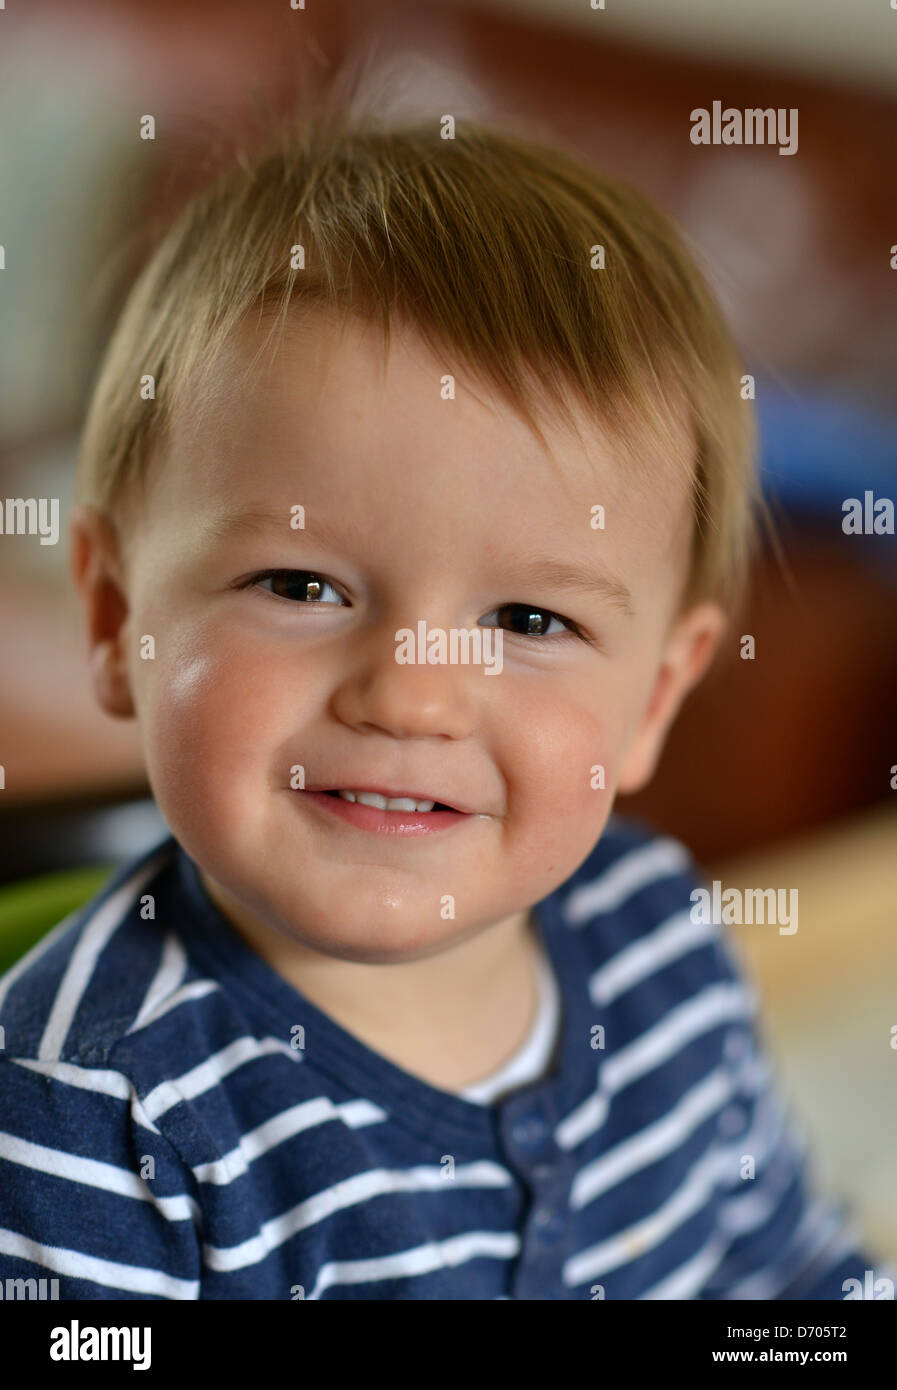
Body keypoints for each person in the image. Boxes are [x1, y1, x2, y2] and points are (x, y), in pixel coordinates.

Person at [0, 110, 889, 1299]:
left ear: (656, 698)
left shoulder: (657, 942)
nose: (413, 692)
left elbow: (785, 1268)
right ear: (116, 619)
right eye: (302, 584)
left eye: (530, 621)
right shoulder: (90, 1115)